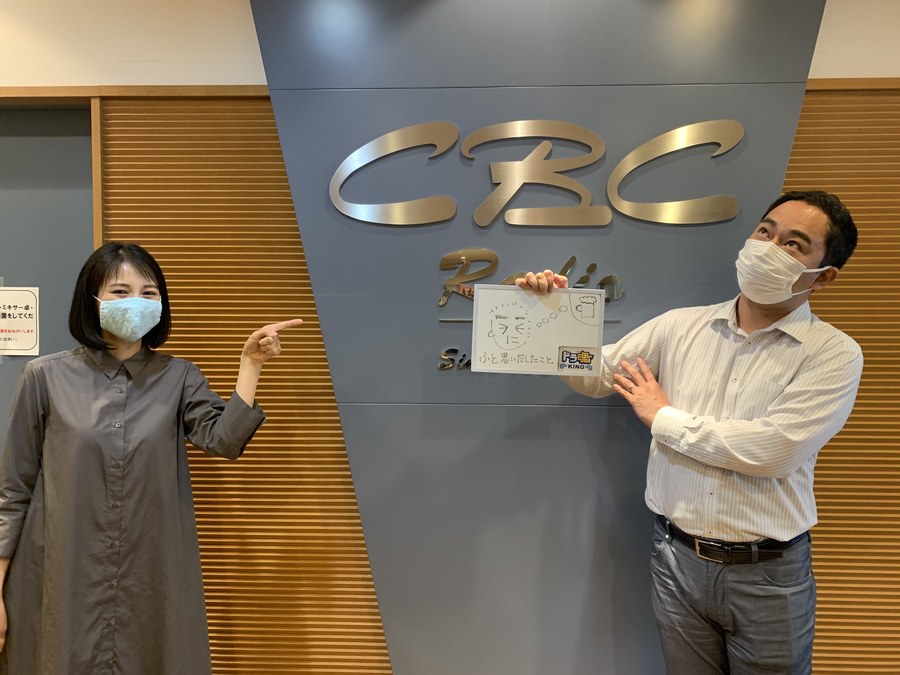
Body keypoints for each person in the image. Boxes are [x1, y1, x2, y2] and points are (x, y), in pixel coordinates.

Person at [516, 191, 862, 675]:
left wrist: (662, 417)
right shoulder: (679, 327)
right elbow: (594, 376)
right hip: (675, 559)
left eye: (793, 244)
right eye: (765, 231)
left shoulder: (833, 353)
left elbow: (774, 451)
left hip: (768, 574)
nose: (768, 247)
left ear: (823, 276)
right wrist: (551, 317)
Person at [0, 242, 302, 675]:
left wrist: (250, 365)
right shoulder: (44, 377)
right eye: (120, 292)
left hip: (148, 577)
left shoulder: (179, 377)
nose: (136, 302)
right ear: (92, 299)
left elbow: (223, 440)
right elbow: (12, 492)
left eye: (149, 292)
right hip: (59, 576)